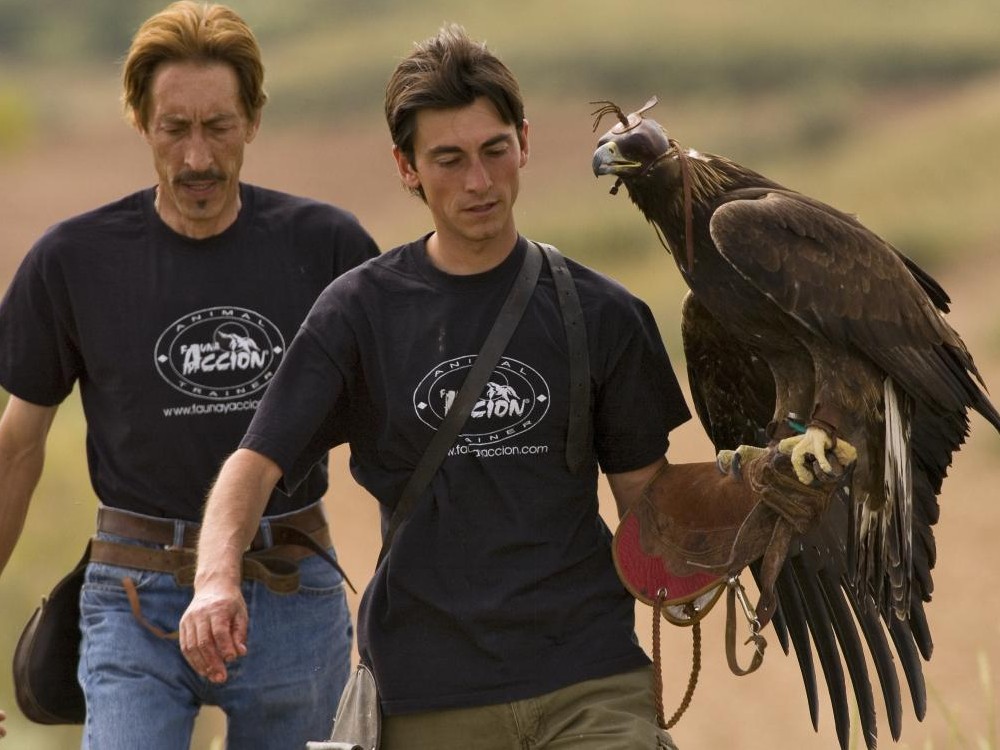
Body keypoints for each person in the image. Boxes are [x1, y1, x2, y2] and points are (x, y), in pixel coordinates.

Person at [178, 24, 829, 750]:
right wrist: (215, 580)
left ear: (523, 142)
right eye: (448, 159)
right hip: (427, 696)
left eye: (493, 150)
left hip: (591, 683)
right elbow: (253, 465)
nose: (479, 182)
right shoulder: (358, 314)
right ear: (406, 167)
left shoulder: (603, 314)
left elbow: (648, 506)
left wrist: (753, 489)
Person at [0, 2, 378, 747]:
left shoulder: (330, 248)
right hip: (133, 597)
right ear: (141, 122)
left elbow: (398, 434)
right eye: (175, 128)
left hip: (291, 590)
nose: (198, 158)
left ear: (254, 119)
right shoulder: (71, 262)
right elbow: (16, 449)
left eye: (218, 126)